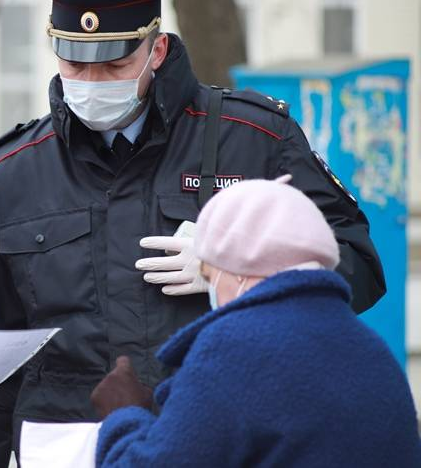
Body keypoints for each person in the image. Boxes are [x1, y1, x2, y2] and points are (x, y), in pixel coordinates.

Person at [0, 0, 386, 466]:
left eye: (112, 66)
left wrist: (251, 274)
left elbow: (360, 265)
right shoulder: (14, 171)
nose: (90, 82)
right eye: (75, 64)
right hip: (67, 446)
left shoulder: (253, 139)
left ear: (157, 49)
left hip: (216, 437)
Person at [91, 176, 421, 467]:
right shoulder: (370, 347)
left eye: (208, 273)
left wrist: (123, 415)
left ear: (236, 268)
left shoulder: (234, 347)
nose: (211, 288)